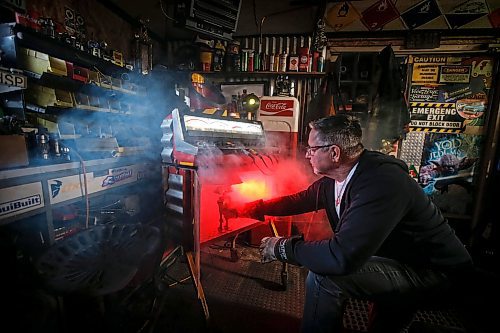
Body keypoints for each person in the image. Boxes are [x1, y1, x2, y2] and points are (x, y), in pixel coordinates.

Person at [234, 114, 473, 332]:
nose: (307, 154)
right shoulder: (337, 177)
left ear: (335, 153)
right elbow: (300, 200)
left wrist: (282, 248)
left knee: (324, 278)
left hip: (434, 273)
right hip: (398, 259)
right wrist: (252, 207)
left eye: (312, 148)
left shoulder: (382, 183)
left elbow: (342, 257)